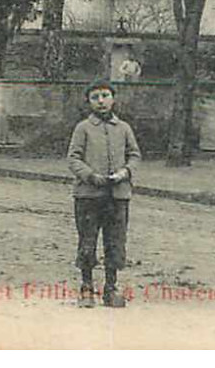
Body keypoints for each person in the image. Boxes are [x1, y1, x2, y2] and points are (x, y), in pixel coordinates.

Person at [66, 80, 141, 308]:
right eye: (95, 97)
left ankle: (111, 289)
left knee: (115, 241)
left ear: (113, 98)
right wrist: (90, 176)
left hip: (118, 195)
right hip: (88, 195)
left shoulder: (124, 128)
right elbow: (73, 158)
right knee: (88, 241)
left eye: (105, 96)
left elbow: (135, 155)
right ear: (89, 102)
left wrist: (124, 172)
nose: (101, 101)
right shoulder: (83, 128)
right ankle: (86, 288)